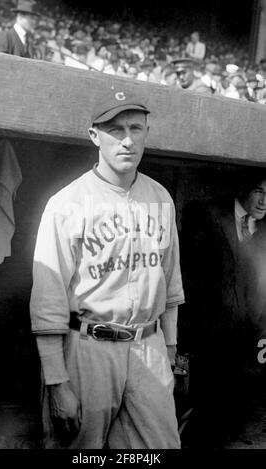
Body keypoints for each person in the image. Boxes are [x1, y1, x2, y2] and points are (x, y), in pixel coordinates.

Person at [30, 85, 185, 449]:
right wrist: (56, 381)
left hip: (148, 344)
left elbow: (171, 282)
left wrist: (171, 348)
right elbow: (48, 302)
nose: (127, 140)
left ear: (147, 132)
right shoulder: (67, 203)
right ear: (94, 136)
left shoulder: (160, 197)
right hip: (89, 346)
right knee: (80, 450)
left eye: (135, 128)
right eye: (115, 130)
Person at [180, 170, 266, 448]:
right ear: (243, 188)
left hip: (248, 347)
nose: (265, 201)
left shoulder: (265, 228)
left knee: (233, 421)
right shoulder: (206, 214)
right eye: (259, 191)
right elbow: (187, 279)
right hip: (208, 344)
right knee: (198, 420)